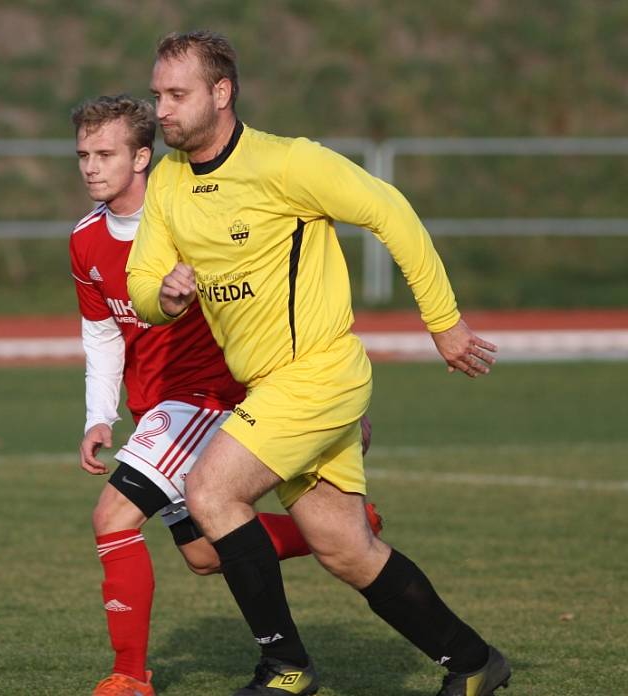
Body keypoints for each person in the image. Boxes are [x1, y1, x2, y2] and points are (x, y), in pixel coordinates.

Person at [126, 31, 511, 696]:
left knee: (211, 493)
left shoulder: (286, 163)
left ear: (221, 94)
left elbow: (389, 209)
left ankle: (286, 665)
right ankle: (474, 663)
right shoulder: (166, 183)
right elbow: (143, 279)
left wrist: (443, 322)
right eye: (157, 93)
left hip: (317, 376)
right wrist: (161, 295)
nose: (161, 108)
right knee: (345, 549)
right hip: (274, 386)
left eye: (177, 94)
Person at [68, 94, 382, 696]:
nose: (89, 166)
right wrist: (98, 416)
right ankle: (340, 533)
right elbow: (102, 331)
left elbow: (285, 304)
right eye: (82, 154)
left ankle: (129, 677)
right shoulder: (85, 240)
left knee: (112, 517)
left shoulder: (189, 220)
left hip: (205, 398)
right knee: (207, 556)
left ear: (141, 157)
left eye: (104, 154)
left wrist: (340, 402)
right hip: (155, 408)